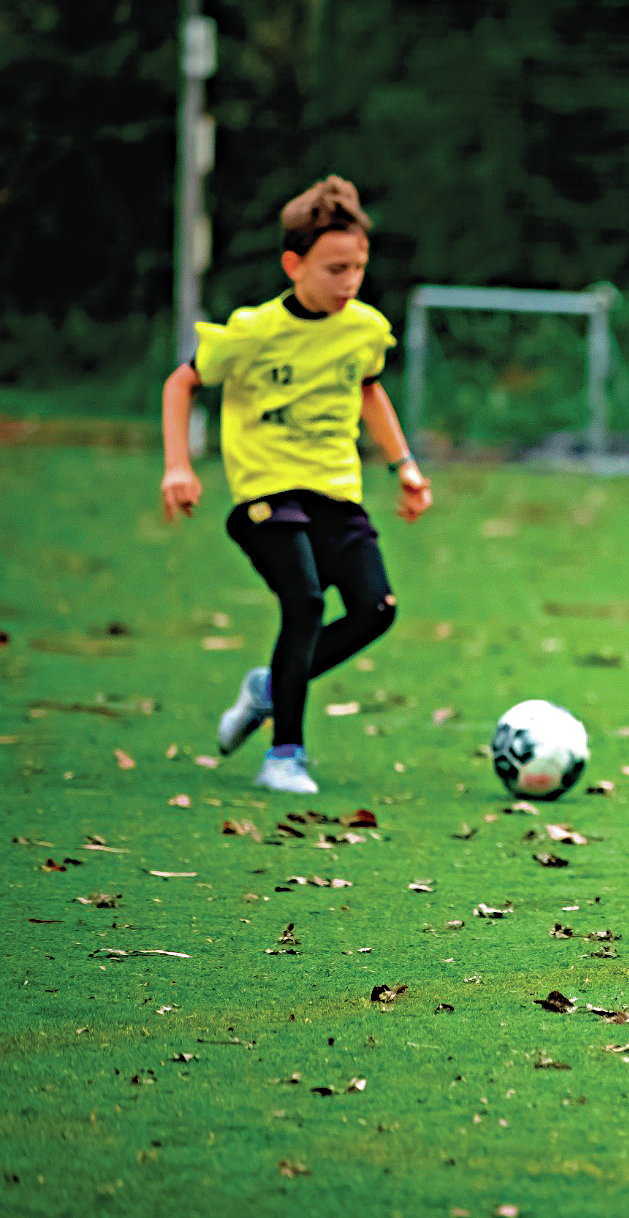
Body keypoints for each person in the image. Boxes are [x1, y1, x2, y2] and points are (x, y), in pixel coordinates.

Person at [158, 176, 433, 793]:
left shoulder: (364, 329)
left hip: (337, 491)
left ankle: (267, 688)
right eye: (335, 269)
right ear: (294, 264)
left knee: (375, 610)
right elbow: (182, 383)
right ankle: (285, 754)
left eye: (358, 268)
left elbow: (369, 391)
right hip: (266, 493)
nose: (349, 282)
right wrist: (179, 465)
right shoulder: (252, 332)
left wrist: (404, 465)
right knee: (305, 602)